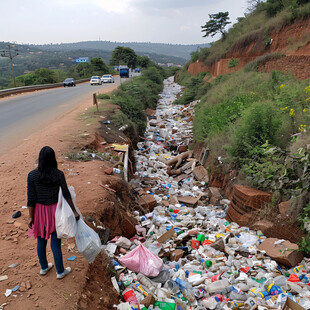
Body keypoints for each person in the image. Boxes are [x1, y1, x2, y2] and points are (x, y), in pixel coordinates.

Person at [27, 146, 80, 279]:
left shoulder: (32, 175)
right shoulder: (58, 174)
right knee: (55, 242)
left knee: (41, 241)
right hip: (56, 212)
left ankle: (44, 267)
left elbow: (31, 198)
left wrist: (30, 217)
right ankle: (60, 271)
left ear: (40, 159)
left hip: (39, 211)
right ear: (53, 159)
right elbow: (66, 194)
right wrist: (74, 211)